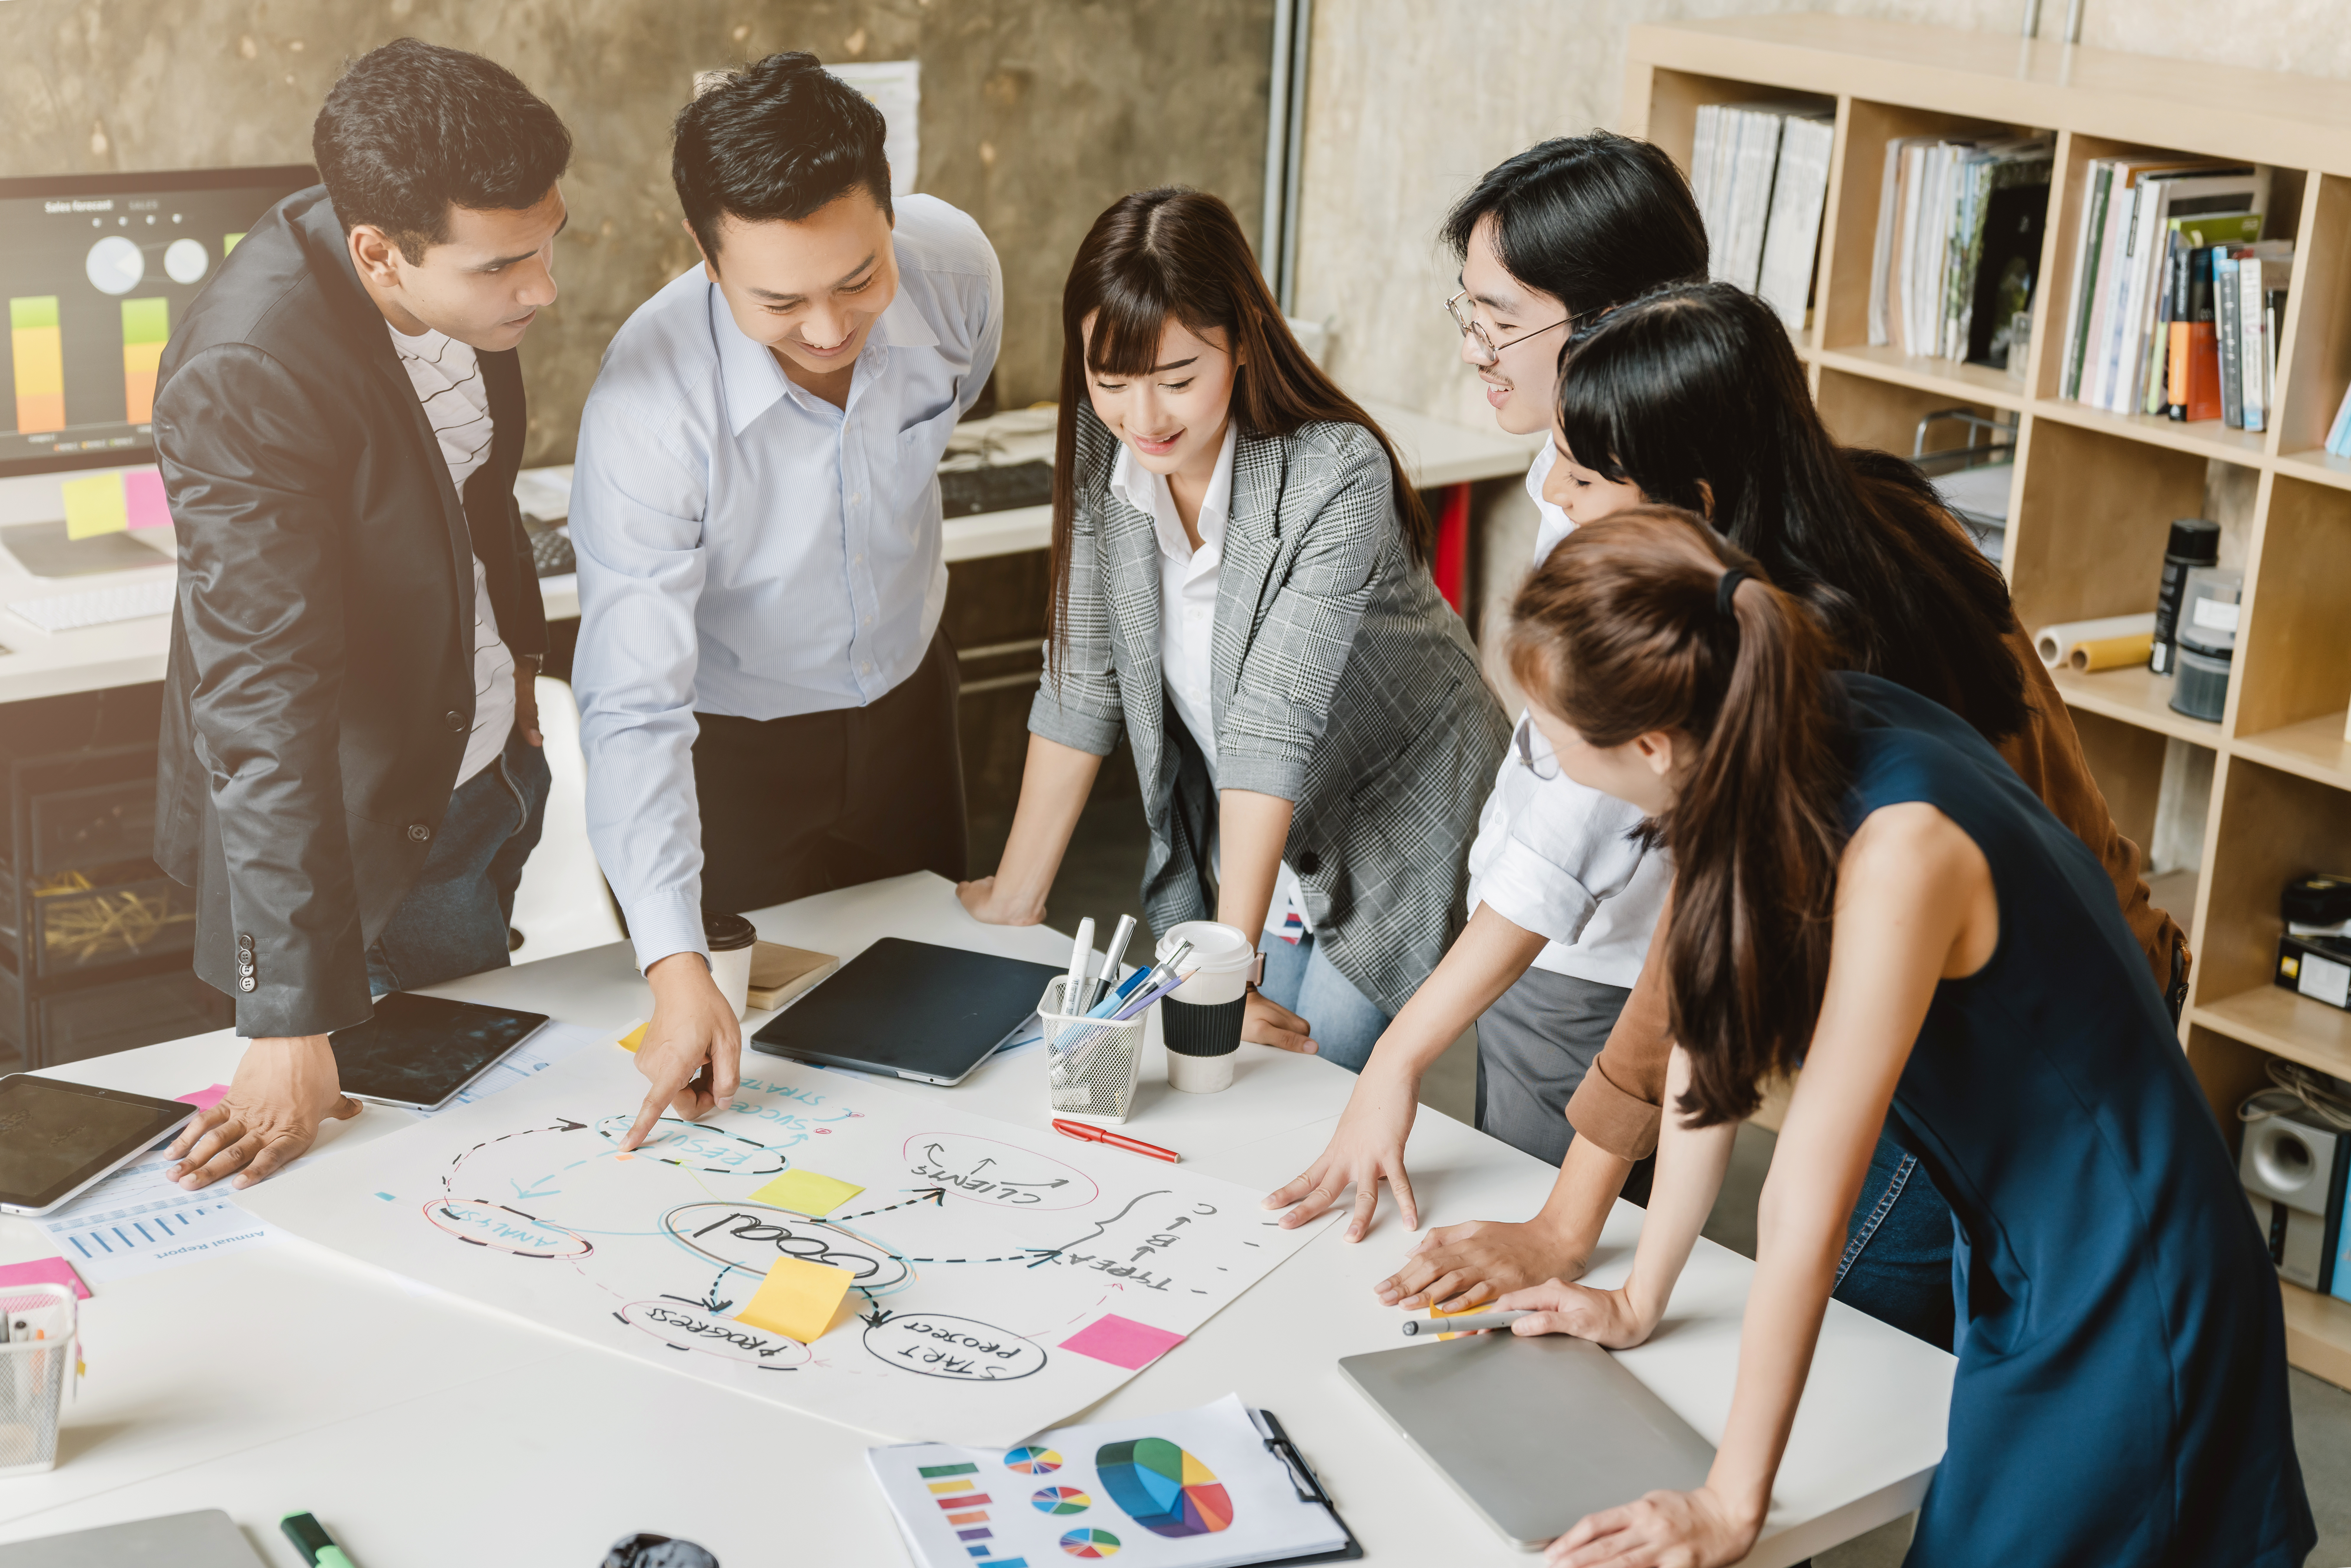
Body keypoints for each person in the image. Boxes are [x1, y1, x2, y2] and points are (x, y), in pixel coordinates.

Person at [1301, 282, 2187, 1350]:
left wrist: (1569, 1228)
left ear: (1696, 499)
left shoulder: (1808, 669)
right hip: (2055, 976)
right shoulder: (1838, 528)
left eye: (1585, 479)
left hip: (2045, 1037)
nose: (1561, 501)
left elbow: (1689, 964)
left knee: (1861, 1348)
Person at [1486, 509, 2312, 1568]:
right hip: (2024, 1243)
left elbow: (1811, 1194)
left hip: (2131, 1268)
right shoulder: (1753, 738)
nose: (1542, 750)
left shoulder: (1901, 849)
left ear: (1649, 744)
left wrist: (1733, 1500)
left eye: (1549, 735)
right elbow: (1705, 1043)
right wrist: (1639, 1298)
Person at [1264, 133, 1703, 1233]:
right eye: (1470, 313)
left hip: (1596, 970)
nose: (1476, 350)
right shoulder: (1570, 461)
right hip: (1548, 948)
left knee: (1539, 1253)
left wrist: (1400, 1057)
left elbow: (1571, 825)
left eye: (1502, 320)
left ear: (1615, 325)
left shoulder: (1650, 528)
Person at [959, 188, 1507, 1069]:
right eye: (1112, 381)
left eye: (1178, 380)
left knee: (1302, 1075)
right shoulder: (1109, 457)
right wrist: (1015, 898)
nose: (1145, 418)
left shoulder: (1335, 472)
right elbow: (1081, 680)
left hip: (1397, 816)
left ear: (1243, 341)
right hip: (1267, 826)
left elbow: (1271, 718)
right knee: (1236, 1070)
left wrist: (1223, 971)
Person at [154, 39, 569, 1191]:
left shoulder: (457, 274)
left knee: (495, 1140)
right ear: (377, 254)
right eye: (503, 267)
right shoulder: (249, 369)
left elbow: (476, 498)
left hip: (483, 777)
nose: (543, 289)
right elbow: (261, 696)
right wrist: (287, 1016)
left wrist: (522, 673)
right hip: (356, 851)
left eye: (551, 243)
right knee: (435, 1183)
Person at [567, 54, 1002, 1147]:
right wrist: (673, 966)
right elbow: (631, 705)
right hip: (732, 753)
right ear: (709, 264)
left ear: (892, 217)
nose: (826, 328)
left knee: (938, 1036)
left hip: (909, 710)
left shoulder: (956, 272)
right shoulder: (648, 404)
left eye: (858, 279)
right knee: (752, 1078)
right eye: (779, 300)